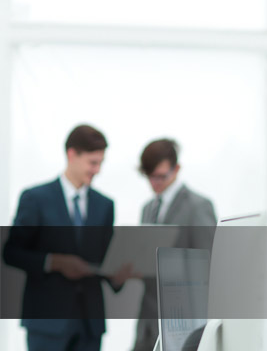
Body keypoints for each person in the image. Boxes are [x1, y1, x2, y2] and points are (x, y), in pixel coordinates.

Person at [3, 124, 133, 351]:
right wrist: (54, 262)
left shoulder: (104, 205)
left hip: (89, 323)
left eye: (101, 163)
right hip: (47, 322)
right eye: (93, 163)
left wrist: (117, 277)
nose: (97, 170)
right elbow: (11, 253)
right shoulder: (35, 198)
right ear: (72, 154)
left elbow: (104, 259)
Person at [132, 138, 217, 351]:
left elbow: (207, 267)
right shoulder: (148, 208)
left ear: (176, 169)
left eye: (161, 177)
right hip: (148, 322)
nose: (154, 183)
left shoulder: (198, 207)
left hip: (182, 322)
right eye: (150, 177)